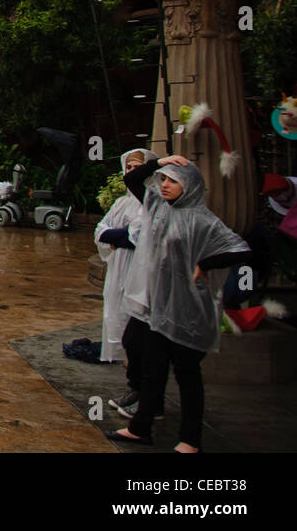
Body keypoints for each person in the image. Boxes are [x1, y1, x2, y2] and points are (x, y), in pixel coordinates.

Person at [107, 157, 251, 452]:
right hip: (160, 308)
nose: (165, 186)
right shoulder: (159, 208)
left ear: (191, 186)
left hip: (190, 311)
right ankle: (140, 427)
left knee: (187, 376)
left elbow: (240, 249)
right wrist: (158, 162)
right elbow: (133, 181)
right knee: (152, 369)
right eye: (164, 180)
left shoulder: (202, 220)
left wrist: (207, 263)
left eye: (173, 181)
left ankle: (190, 440)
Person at [94, 148, 158, 416]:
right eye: (128, 168)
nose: (131, 173)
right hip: (119, 270)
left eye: (137, 167)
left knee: (139, 337)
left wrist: (117, 236)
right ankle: (134, 388)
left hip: (141, 272)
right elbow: (101, 231)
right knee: (123, 332)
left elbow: (137, 237)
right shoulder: (122, 203)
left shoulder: (154, 201)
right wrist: (116, 236)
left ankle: (148, 398)